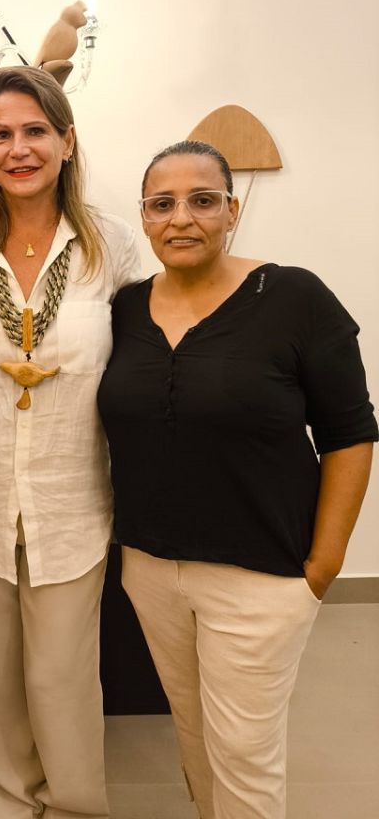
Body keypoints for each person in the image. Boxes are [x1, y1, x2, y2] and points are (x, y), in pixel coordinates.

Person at [97, 140, 377, 819]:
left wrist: (324, 563)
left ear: (232, 210)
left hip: (261, 574)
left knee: (245, 753)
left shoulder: (293, 296)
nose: (181, 218)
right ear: (143, 216)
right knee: (193, 733)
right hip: (151, 568)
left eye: (202, 200)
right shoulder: (125, 309)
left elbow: (349, 432)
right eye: (161, 203)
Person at [0, 66, 141, 819]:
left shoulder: (111, 247)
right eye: (0, 135)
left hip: (71, 494)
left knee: (62, 672)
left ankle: (74, 804)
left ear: (66, 141)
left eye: (34, 131)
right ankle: (10, 800)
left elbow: (149, 353)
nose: (17, 149)